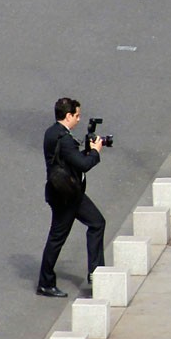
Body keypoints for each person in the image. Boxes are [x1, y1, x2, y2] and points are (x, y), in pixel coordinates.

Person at [38, 97, 106, 298]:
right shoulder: (65, 140)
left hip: (69, 193)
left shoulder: (52, 133)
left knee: (97, 222)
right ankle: (46, 283)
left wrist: (84, 151)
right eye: (76, 115)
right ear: (68, 116)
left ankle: (96, 271)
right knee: (57, 237)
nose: (78, 119)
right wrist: (95, 152)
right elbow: (83, 165)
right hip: (66, 196)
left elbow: (69, 160)